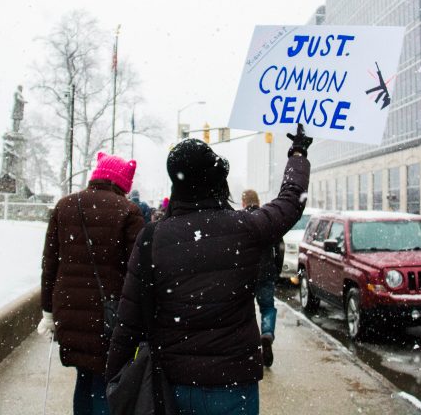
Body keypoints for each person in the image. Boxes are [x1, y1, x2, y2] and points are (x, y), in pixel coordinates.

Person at [106, 124, 312, 415]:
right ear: (217, 182)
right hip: (233, 384)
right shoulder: (246, 227)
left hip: (172, 384)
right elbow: (291, 202)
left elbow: (129, 319)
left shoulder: (152, 238)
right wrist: (298, 154)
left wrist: (116, 382)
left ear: (176, 185)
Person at [38, 151, 145, 415]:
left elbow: (50, 265)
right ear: (122, 183)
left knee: (84, 377)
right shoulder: (128, 212)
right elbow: (138, 270)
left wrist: (48, 312)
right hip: (108, 316)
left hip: (70, 311)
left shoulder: (64, 207)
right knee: (105, 381)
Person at [241, 188, 284, 368]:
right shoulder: (268, 219)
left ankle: (247, 347)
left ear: (243, 203)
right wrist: (277, 268)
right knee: (267, 307)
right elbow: (280, 246)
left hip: (247, 273)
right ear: (258, 201)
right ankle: (267, 333)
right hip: (266, 271)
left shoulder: (241, 220)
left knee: (245, 309)